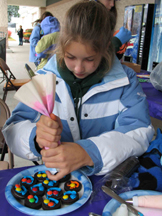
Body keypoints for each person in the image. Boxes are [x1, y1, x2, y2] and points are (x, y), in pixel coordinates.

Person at [3, 0, 154, 181]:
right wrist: (36, 138)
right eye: (70, 57)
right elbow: (12, 128)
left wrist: (88, 152)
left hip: (106, 180)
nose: (78, 68)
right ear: (62, 48)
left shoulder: (125, 81)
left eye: (89, 59)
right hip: (57, 182)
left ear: (106, 48)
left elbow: (140, 131)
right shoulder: (44, 79)